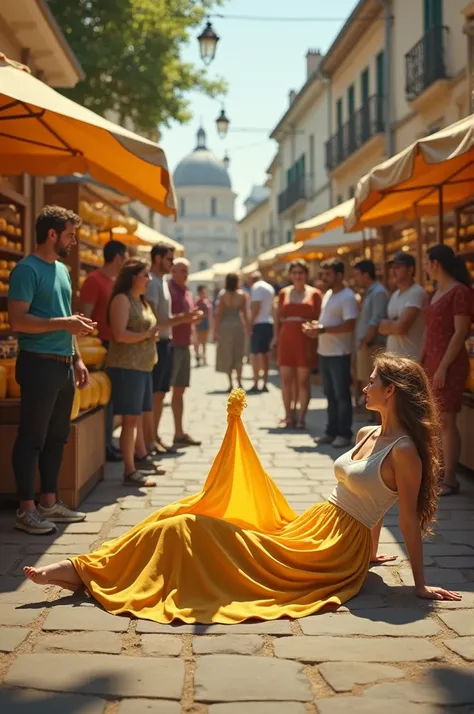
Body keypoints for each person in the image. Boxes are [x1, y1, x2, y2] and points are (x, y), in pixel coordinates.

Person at [24, 354, 461, 619]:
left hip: (327, 550)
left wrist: (419, 584)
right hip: (310, 527)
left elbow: (402, 516)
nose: (364, 386)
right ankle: (87, 567)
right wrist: (368, 552)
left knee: (191, 530)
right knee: (179, 516)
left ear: (393, 391)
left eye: (372, 382)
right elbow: (373, 504)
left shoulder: (404, 451)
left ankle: (82, 572)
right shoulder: (369, 433)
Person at [8, 205, 95, 535]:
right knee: (32, 437)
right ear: (52, 234)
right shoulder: (25, 270)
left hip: (62, 365)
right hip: (37, 364)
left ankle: (48, 502)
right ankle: (25, 509)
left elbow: (64, 317)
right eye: (70, 235)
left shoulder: (62, 269)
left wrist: (77, 358)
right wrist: (66, 323)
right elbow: (18, 320)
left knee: (57, 437)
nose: (74, 241)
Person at [423, 244, 473, 497]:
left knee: (447, 421)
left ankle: (450, 478)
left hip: (450, 365)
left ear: (435, 264)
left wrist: (442, 367)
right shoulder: (436, 291)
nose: (425, 268)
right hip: (433, 363)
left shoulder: (460, 292)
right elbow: (429, 333)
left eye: (426, 263)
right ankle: (439, 473)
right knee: (436, 421)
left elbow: (460, 333)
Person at [106, 258, 161, 486]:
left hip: (143, 367)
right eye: (145, 275)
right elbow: (119, 335)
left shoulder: (142, 301)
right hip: (127, 368)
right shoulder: (122, 300)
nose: (149, 279)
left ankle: (135, 463)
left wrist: (150, 336)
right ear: (133, 277)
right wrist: (146, 336)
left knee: (135, 418)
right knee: (129, 420)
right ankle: (129, 471)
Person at [142, 244, 199, 456]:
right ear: (157, 259)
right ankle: (150, 438)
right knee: (156, 394)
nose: (172, 263)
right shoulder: (154, 284)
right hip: (159, 342)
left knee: (160, 393)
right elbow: (154, 319)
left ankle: (154, 437)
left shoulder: (162, 282)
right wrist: (183, 318)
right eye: (169, 260)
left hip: (168, 342)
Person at [80, 239, 127, 463]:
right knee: (103, 396)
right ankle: (104, 444)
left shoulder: (117, 282)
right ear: (118, 257)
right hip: (100, 347)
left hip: (116, 345)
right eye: (124, 257)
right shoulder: (93, 281)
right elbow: (85, 315)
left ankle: (107, 441)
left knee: (113, 397)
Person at [303, 258, 358, 448]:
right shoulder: (328, 294)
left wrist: (322, 330)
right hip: (325, 351)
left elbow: (350, 325)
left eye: (328, 274)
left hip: (339, 353)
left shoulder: (347, 296)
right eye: (323, 274)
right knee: (330, 395)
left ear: (339, 275)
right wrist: (316, 328)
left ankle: (344, 433)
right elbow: (327, 323)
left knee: (342, 395)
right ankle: (331, 431)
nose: (324, 277)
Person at [273, 260, 322, 429]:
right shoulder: (283, 293)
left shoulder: (315, 293)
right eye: (294, 272)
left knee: (303, 381)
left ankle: (301, 417)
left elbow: (319, 317)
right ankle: (288, 415)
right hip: (286, 336)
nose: (298, 276)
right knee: (286, 379)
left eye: (301, 272)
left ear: (306, 274)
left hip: (305, 339)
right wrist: (275, 337)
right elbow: (277, 317)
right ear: (290, 275)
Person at [168, 258, 202, 447]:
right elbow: (164, 318)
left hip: (185, 343)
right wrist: (186, 318)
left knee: (180, 390)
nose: (185, 274)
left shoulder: (187, 291)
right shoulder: (169, 290)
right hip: (172, 345)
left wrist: (193, 319)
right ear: (173, 271)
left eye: (187, 270)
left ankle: (179, 432)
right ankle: (154, 436)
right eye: (182, 270)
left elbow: (186, 317)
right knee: (163, 391)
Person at [353, 259, 389, 416]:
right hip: (366, 345)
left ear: (366, 274)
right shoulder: (370, 292)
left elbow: (376, 320)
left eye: (357, 275)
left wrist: (366, 341)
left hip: (372, 345)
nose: (355, 279)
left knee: (374, 384)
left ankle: (376, 419)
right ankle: (371, 418)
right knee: (367, 382)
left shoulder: (378, 292)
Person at [378, 253, 427, 360]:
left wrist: (391, 326)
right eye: (392, 268)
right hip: (394, 360)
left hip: (410, 360)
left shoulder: (416, 292)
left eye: (398, 267)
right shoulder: (394, 295)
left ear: (410, 270)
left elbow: (401, 327)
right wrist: (394, 325)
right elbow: (381, 327)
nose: (393, 271)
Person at [214, 272, 249, 392]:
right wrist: (248, 328)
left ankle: (230, 383)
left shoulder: (223, 295)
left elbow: (219, 314)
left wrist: (215, 331)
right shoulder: (242, 295)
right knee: (238, 354)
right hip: (238, 325)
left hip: (225, 326)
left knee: (227, 353)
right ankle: (239, 380)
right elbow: (245, 314)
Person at [249, 271, 275, 393]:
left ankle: (255, 382)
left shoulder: (257, 287)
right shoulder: (269, 287)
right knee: (265, 355)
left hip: (259, 323)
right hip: (269, 322)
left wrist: (250, 323)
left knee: (255, 354)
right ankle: (265, 382)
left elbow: (256, 306)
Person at [194, 285, 212, 367]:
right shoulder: (197, 301)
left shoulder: (207, 301)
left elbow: (209, 313)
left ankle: (204, 357)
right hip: (199, 321)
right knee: (197, 340)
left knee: (204, 341)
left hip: (205, 322)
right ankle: (197, 356)